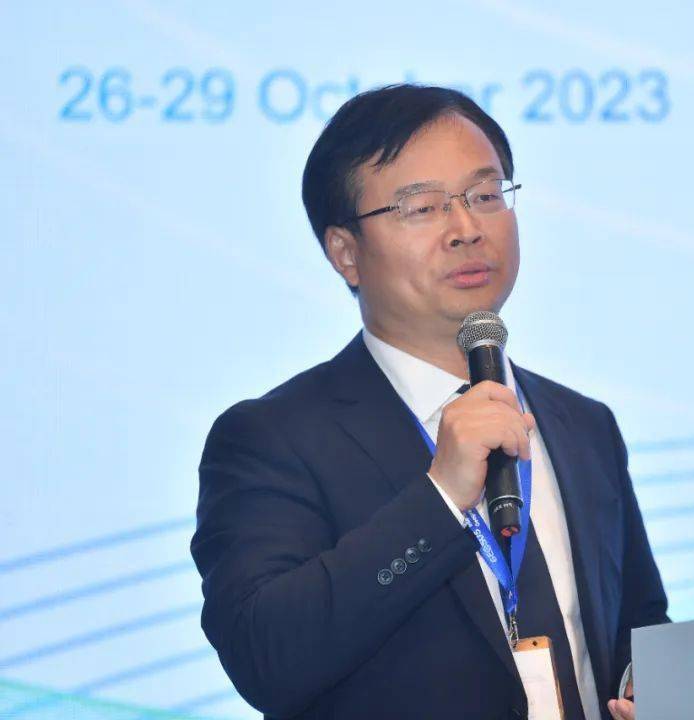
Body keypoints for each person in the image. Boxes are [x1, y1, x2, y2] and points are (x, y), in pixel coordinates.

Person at [191, 84, 669, 720]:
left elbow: (639, 627)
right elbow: (267, 657)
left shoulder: (582, 424)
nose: (466, 229)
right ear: (345, 252)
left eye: (485, 196)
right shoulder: (274, 439)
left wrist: (654, 692)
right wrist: (441, 498)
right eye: (421, 207)